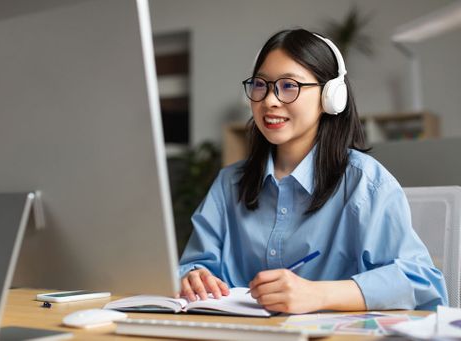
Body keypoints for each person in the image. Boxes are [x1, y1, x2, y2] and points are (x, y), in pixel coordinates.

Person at [178, 28, 448, 313]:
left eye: (289, 86)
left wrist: (319, 294)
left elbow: (421, 282)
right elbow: (194, 265)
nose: (269, 100)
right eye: (260, 85)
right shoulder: (228, 183)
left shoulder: (365, 183)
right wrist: (193, 276)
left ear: (331, 96)